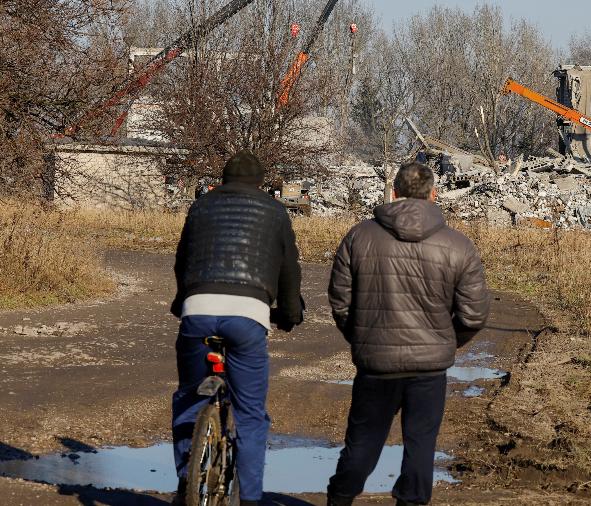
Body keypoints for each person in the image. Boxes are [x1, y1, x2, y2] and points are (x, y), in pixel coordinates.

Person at [326, 162, 491, 506]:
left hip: (376, 364)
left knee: (363, 444)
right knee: (420, 447)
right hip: (429, 369)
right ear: (434, 195)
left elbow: (340, 300)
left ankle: (339, 498)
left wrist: (362, 336)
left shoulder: (359, 237)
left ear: (395, 193)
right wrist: (445, 340)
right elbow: (473, 314)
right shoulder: (458, 245)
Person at [170, 150, 304, 506]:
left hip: (197, 309)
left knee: (188, 396)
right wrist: (289, 313)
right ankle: (251, 500)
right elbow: (289, 269)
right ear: (260, 182)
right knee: (250, 414)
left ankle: (186, 483)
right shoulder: (274, 211)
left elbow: (183, 259)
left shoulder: (201, 207)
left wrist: (181, 299)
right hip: (248, 313)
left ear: (225, 179)